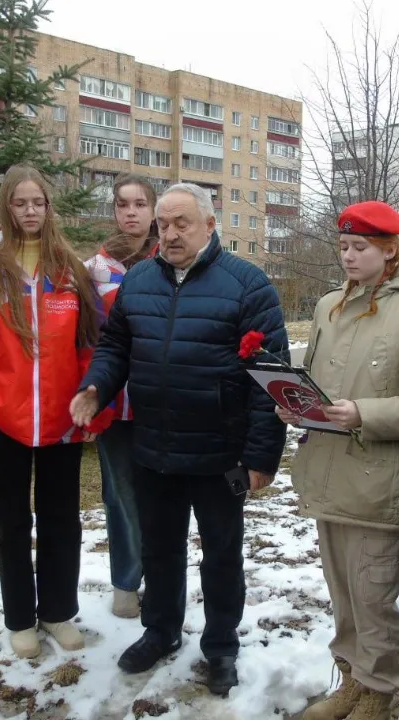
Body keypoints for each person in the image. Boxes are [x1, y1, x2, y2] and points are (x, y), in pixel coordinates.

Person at [69, 182, 288, 696]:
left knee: (221, 552)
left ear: (210, 225)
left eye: (180, 223)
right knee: (161, 548)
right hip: (155, 447)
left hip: (221, 452)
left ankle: (220, 646)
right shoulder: (140, 279)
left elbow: (269, 376)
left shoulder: (248, 285)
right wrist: (96, 387)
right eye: (162, 224)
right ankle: (161, 630)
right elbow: (116, 345)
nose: (168, 233)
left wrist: (261, 457)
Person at [277, 201, 399, 720]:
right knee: (344, 592)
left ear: (389, 251)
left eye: (361, 248)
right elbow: (316, 385)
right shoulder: (330, 305)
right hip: (328, 471)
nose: (348, 256)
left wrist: (363, 414)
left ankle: (378, 691)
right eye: (344, 246)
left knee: (374, 593)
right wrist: (296, 405)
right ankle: (352, 680)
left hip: (379, 479)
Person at [0, 164, 108, 660]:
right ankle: (20, 619)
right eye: (20, 203)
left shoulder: (70, 268)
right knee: (10, 522)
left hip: (64, 420)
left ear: (49, 207)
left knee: (62, 521)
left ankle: (59, 612)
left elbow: (91, 343)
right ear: (7, 206)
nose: (30, 211)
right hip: (4, 419)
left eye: (38, 202)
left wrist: (94, 402)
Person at [83, 173, 159, 619]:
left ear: (153, 210)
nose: (131, 212)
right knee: (121, 494)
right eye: (122, 204)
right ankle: (126, 582)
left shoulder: (170, 260)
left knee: (164, 493)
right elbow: (87, 338)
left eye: (139, 204)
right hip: (116, 403)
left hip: (162, 399)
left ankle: (163, 575)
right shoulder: (95, 268)